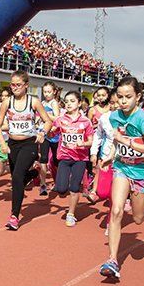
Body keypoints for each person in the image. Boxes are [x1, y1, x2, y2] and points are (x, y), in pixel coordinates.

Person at [99, 76, 144, 280]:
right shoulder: (115, 116)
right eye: (120, 96)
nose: (123, 101)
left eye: (128, 97)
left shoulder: (143, 118)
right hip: (122, 168)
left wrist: (127, 141)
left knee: (138, 219)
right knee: (116, 211)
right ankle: (112, 260)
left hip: (142, 172)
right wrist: (110, 156)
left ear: (138, 97)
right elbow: (117, 141)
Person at [0, 70, 53, 231]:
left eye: (18, 84)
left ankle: (14, 216)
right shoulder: (7, 102)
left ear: (26, 85)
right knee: (16, 177)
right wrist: (3, 143)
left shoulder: (33, 102)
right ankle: (34, 173)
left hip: (29, 143)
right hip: (12, 144)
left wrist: (42, 133)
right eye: (12, 84)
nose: (14, 87)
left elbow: (48, 121)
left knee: (17, 177)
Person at [50, 90, 94, 227]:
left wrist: (83, 143)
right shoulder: (61, 119)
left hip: (80, 159)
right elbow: (52, 132)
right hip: (64, 157)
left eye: (72, 101)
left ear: (79, 103)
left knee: (74, 187)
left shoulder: (86, 122)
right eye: (67, 101)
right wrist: (49, 132)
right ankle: (65, 187)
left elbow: (90, 141)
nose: (69, 104)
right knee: (61, 189)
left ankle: (71, 214)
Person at [87, 88, 119, 203]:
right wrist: (94, 153)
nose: (115, 106)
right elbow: (98, 135)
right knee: (103, 192)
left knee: (116, 196)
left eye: (118, 102)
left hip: (123, 161)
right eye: (112, 102)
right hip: (106, 157)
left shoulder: (131, 118)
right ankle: (97, 191)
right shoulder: (105, 118)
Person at [38, 81, 61, 196]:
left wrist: (44, 115)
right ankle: (43, 185)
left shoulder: (54, 103)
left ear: (54, 92)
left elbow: (57, 118)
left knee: (56, 160)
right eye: (44, 92)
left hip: (55, 135)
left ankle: (59, 181)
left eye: (49, 92)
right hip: (44, 134)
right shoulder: (41, 103)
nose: (46, 94)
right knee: (43, 158)